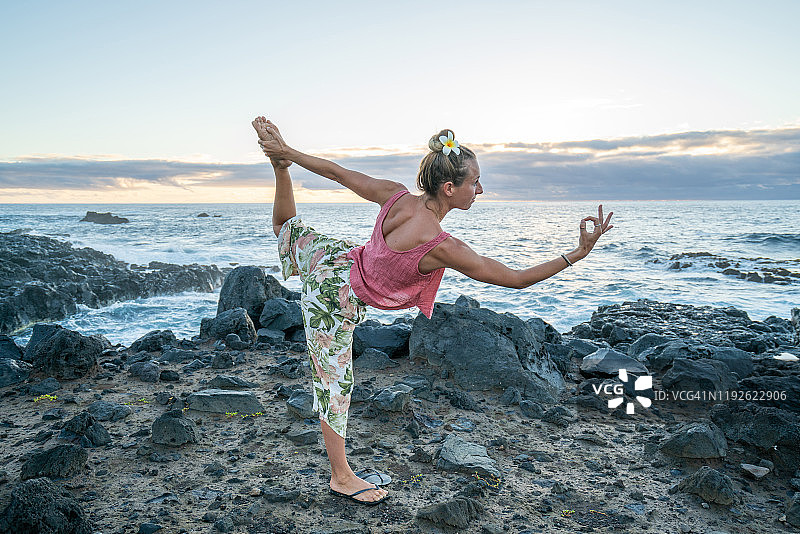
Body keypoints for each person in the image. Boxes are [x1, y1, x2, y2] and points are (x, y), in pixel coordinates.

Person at [251, 116, 613, 505]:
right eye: (474, 182)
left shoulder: (396, 195)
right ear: (449, 188)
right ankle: (341, 476)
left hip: (337, 261)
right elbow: (516, 278)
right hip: (334, 302)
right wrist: (577, 254)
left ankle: (280, 170)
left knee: (286, 227)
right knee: (334, 386)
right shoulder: (442, 246)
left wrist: (288, 153)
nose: (480, 189)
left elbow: (338, 173)